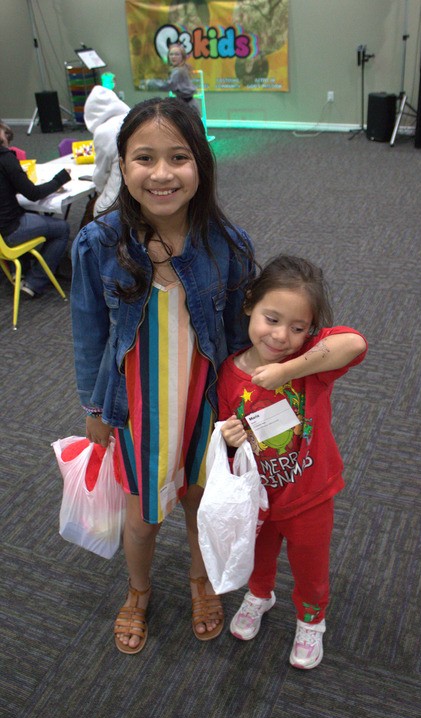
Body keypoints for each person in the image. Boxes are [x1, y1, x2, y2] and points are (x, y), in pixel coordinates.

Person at [70, 97, 255, 654]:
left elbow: (238, 340)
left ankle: (201, 580)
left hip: (205, 401)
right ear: (122, 166)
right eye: (144, 158)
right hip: (137, 408)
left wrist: (243, 409)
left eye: (178, 157)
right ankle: (139, 590)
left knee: (201, 501)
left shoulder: (228, 244)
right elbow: (88, 334)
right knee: (143, 518)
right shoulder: (97, 244)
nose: (161, 174)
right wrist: (94, 411)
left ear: (200, 163)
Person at [217, 255, 367, 670]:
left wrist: (288, 370)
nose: (282, 336)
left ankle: (311, 620)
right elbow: (225, 431)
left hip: (309, 493)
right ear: (250, 304)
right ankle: (259, 596)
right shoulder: (228, 373)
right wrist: (228, 437)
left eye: (298, 328)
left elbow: (355, 343)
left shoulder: (311, 366)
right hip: (259, 496)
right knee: (256, 557)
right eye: (272, 319)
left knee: (310, 565)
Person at [0, 121, 71, 297]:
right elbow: (33, 194)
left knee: (31, 212)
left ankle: (22, 268)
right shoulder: (6, 158)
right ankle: (34, 282)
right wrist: (60, 179)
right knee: (62, 228)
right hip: (10, 230)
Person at [83, 85, 130, 217]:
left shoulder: (104, 131)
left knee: (92, 209)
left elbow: (101, 173)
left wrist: (99, 191)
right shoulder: (134, 119)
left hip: (117, 202)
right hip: (141, 195)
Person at [163, 43, 198, 112]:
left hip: (187, 105)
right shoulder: (179, 68)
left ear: (182, 57)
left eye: (177, 54)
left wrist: (150, 84)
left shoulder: (179, 71)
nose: (173, 57)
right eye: (171, 54)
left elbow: (169, 85)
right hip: (183, 103)